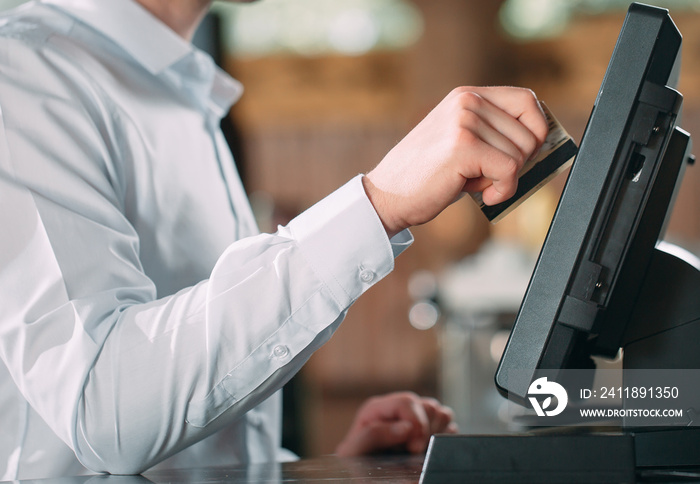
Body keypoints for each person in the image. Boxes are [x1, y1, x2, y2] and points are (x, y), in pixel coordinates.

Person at [0, 0, 548, 480]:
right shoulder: (24, 69)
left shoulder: (181, 91)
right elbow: (102, 408)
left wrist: (296, 467)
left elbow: (171, 419)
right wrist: (379, 202)